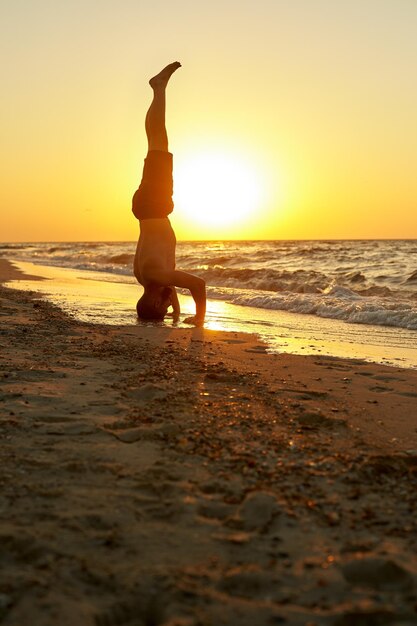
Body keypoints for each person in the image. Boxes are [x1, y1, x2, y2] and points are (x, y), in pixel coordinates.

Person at [132, 62, 206, 325]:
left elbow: (198, 284)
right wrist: (175, 311)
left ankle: (158, 89)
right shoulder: (145, 277)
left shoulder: (156, 275)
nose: (168, 306)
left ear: (153, 302)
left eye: (162, 309)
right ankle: (157, 90)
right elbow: (169, 286)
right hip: (146, 209)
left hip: (154, 205)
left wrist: (199, 319)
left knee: (158, 140)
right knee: (155, 142)